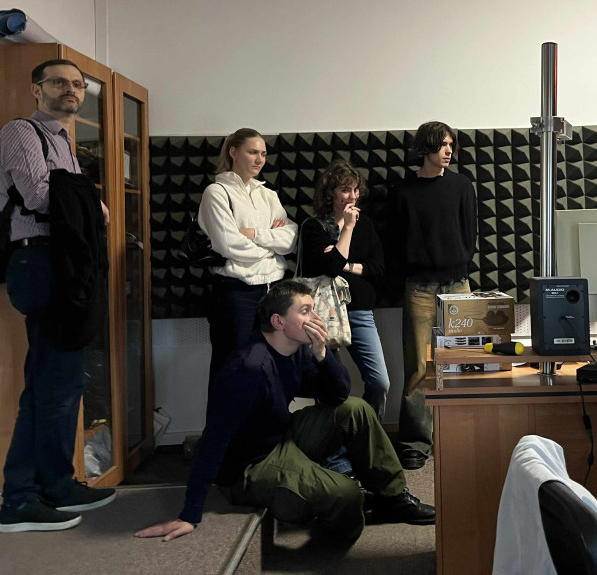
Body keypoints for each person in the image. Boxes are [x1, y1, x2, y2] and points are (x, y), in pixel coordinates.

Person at [134, 280, 434, 544]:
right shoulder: (249, 367)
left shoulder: (295, 351)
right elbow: (213, 440)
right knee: (347, 497)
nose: (315, 318)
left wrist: (322, 354)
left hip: (281, 436)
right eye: (305, 311)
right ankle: (332, 503)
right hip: (249, 467)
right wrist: (190, 513)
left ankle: (393, 499)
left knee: (356, 409)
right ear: (278, 321)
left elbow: (338, 395)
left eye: (313, 309)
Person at [0, 58, 115, 532]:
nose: (71, 89)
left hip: (60, 263)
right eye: (60, 82)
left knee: (59, 385)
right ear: (36, 89)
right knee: (54, 388)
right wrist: (89, 202)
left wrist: (83, 201)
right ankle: (20, 501)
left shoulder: (63, 141)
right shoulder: (22, 133)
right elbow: (41, 197)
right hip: (40, 263)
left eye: (77, 84)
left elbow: (74, 204)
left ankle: (55, 486)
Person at [389, 121, 477, 470]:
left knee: (465, 362)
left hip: (458, 284)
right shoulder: (402, 191)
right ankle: (415, 442)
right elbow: (396, 240)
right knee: (419, 367)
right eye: (442, 144)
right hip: (419, 287)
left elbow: (470, 234)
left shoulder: (461, 186)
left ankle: (461, 434)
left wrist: (458, 262)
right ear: (425, 148)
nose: (449, 150)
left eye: (451, 144)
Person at [199, 128, 297, 390]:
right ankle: (226, 419)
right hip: (236, 293)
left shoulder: (268, 195)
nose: (260, 159)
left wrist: (254, 235)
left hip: (272, 291)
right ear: (233, 152)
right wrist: (271, 247)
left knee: (270, 367)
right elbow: (228, 244)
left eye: (263, 153)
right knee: (231, 367)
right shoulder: (217, 192)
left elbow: (290, 238)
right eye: (253, 152)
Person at [300, 159, 389, 419]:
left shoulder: (366, 225)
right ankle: (334, 436)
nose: (352, 196)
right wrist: (347, 227)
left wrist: (347, 266)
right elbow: (330, 267)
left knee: (380, 382)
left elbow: (377, 269)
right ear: (330, 193)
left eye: (356, 190)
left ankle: (368, 432)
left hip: (359, 311)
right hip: (323, 314)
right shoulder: (314, 227)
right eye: (345, 190)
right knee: (332, 387)